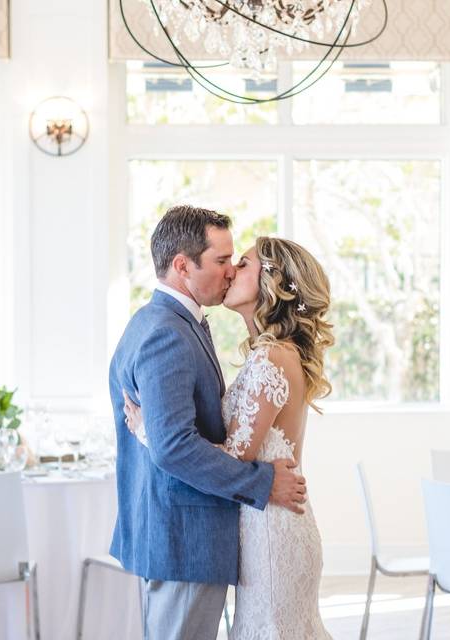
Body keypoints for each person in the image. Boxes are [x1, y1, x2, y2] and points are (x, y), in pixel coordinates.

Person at [108, 205, 308, 640]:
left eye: (237, 263)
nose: (230, 272)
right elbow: (175, 446)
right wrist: (263, 482)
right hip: (185, 539)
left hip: (200, 535)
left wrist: (149, 431)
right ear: (183, 266)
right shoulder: (167, 331)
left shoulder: (173, 323)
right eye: (222, 261)